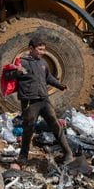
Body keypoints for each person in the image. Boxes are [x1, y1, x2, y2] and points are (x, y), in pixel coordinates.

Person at [14, 36, 74, 165]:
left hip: (44, 99)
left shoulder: (43, 63)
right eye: (39, 49)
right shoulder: (22, 62)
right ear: (31, 48)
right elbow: (10, 75)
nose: (42, 52)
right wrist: (17, 72)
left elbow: (48, 77)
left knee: (55, 124)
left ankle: (68, 154)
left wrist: (60, 85)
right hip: (30, 101)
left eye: (43, 50)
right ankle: (23, 156)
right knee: (28, 128)